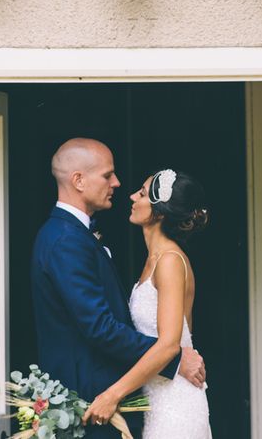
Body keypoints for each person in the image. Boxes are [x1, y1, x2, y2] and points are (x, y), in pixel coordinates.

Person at [30, 138, 206, 438]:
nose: (119, 184)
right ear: (78, 180)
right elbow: (99, 326)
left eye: (140, 192)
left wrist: (171, 354)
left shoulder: (167, 260)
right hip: (95, 396)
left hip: (159, 401)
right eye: (107, 175)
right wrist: (175, 358)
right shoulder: (67, 240)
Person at [83, 168, 213, 438]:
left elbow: (169, 345)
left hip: (176, 404)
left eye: (141, 193)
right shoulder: (155, 260)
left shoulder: (170, 262)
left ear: (160, 212)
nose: (132, 196)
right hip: (157, 399)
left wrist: (112, 395)